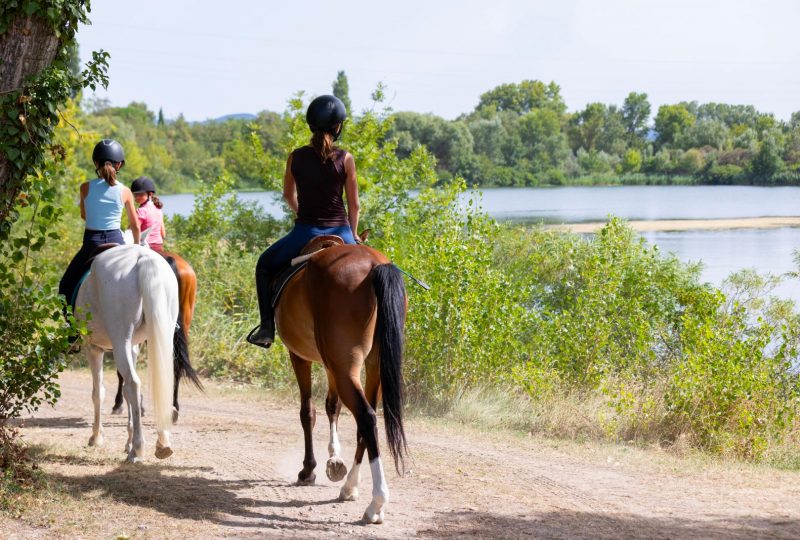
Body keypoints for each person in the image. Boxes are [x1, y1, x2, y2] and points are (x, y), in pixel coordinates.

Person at [247, 95, 360, 348]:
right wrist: (352, 236)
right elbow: (354, 205)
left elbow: (288, 195)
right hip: (342, 230)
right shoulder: (346, 159)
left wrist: (302, 214)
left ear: (311, 126)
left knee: (264, 265)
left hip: (305, 232)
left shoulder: (295, 157)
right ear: (338, 127)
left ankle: (266, 328)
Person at [58, 139, 141, 313]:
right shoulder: (125, 191)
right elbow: (135, 226)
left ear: (96, 163)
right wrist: (137, 248)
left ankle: (71, 331)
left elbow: (83, 215)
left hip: (92, 244)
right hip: (117, 242)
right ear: (119, 165)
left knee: (65, 285)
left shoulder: (85, 187)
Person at [131, 176, 166, 253]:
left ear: (149, 194)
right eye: (135, 195)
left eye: (140, 194)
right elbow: (163, 232)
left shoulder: (141, 211)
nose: (136, 197)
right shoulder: (158, 209)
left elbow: (132, 230)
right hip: (159, 247)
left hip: (146, 247)